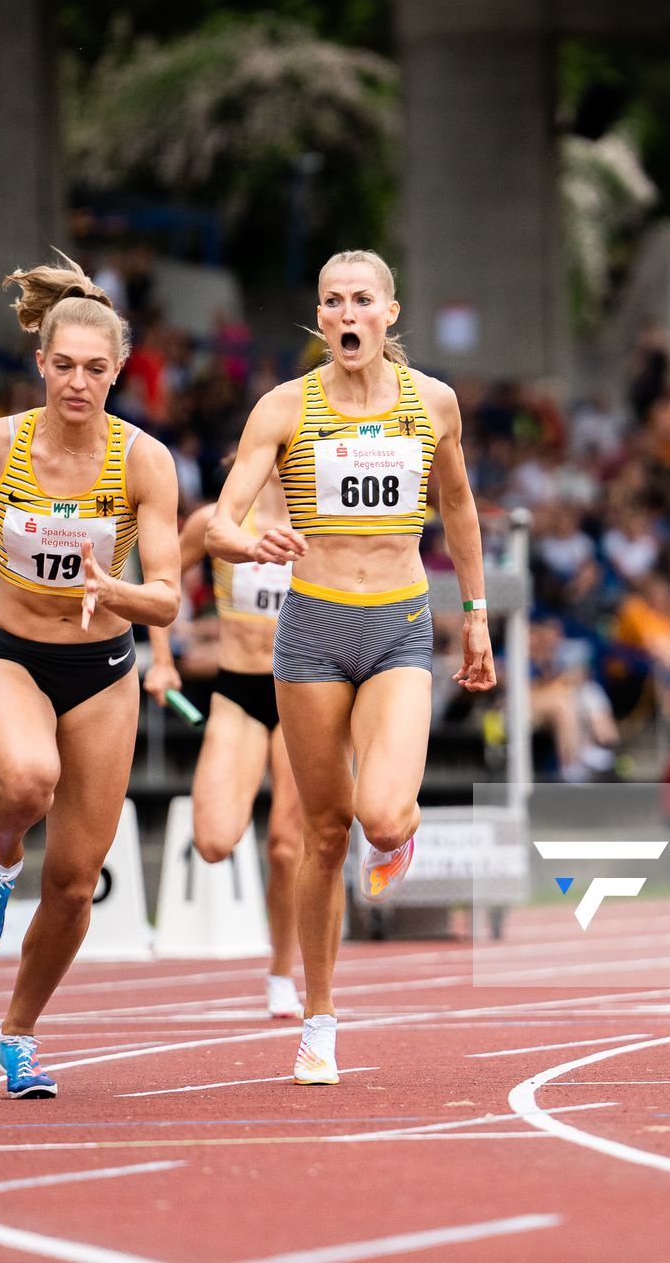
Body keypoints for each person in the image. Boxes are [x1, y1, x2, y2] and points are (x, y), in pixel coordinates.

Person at [207, 249, 494, 1085]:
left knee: (381, 815)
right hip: (311, 629)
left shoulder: (431, 402)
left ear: (390, 314)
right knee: (321, 835)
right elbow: (223, 518)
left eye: (361, 300)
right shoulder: (283, 408)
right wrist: (246, 536)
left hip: (400, 623)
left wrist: (473, 617)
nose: (346, 315)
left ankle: (399, 831)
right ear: (321, 319)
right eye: (332, 302)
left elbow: (461, 508)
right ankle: (319, 1020)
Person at [0, 253, 181, 1099]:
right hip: (11, 655)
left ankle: (19, 1033)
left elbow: (170, 600)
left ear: (118, 374)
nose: (77, 382)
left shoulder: (145, 462)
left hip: (104, 672)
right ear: (40, 363)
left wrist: (120, 591)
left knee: (74, 884)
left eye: (95, 369)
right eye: (63, 365)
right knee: (29, 779)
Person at [144, 471, 305, 1019]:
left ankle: (282, 971)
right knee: (213, 841)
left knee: (287, 844)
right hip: (238, 686)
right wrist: (163, 660)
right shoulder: (215, 521)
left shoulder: (323, 517)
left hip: (305, 691)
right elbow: (161, 575)